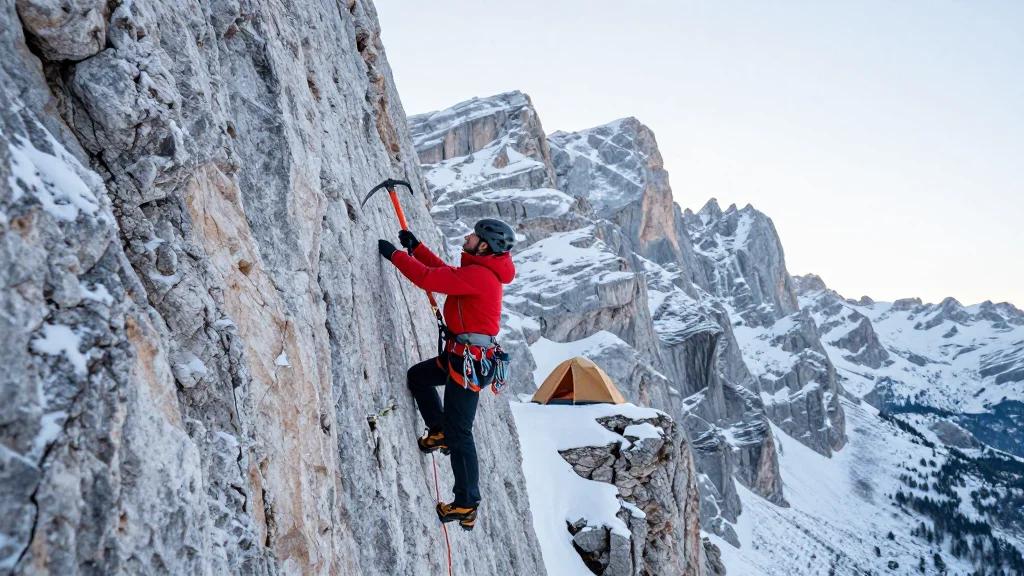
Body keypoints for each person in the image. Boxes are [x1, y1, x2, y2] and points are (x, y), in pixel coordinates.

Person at [377, 218, 516, 531]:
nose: (467, 237)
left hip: (467, 365)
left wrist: (394, 255)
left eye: (474, 236)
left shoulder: (481, 276)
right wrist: (417, 248)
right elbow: (446, 273)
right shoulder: (480, 272)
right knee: (418, 377)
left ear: (484, 246)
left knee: (461, 434)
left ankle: (466, 503)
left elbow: (428, 279)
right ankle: (439, 431)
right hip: (460, 357)